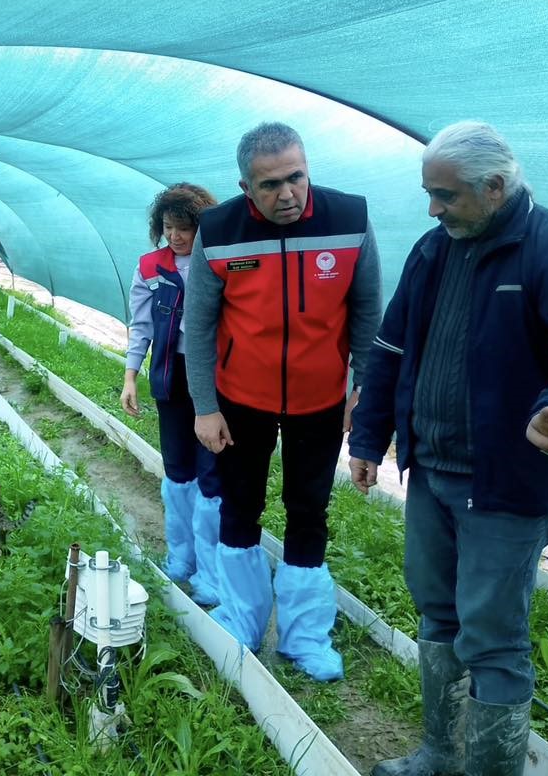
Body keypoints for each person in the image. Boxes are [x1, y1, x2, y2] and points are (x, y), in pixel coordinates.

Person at [348, 121, 548, 776]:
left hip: (506, 484)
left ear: (494, 187)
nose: (432, 209)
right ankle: (439, 754)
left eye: (445, 195)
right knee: (437, 614)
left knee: (493, 638)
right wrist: (368, 438)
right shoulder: (433, 250)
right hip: (433, 473)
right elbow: (390, 347)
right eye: (429, 193)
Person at [184, 121, 382, 680]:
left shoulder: (349, 219)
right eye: (270, 185)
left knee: (308, 507)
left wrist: (363, 389)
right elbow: (199, 325)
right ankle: (240, 620)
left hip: (320, 400)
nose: (287, 194)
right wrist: (204, 405)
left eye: (296, 177)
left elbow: (368, 312)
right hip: (240, 399)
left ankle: (305, 636)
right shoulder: (218, 230)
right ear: (246, 188)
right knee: (239, 504)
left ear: (307, 168)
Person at [121, 182, 221, 605]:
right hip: (170, 375)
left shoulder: (219, 261)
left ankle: (213, 573)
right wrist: (130, 376)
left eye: (185, 227)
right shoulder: (150, 267)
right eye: (168, 227)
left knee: (212, 472)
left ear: (202, 227)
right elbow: (141, 326)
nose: (176, 236)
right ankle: (182, 558)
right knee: (178, 469)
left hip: (215, 379)